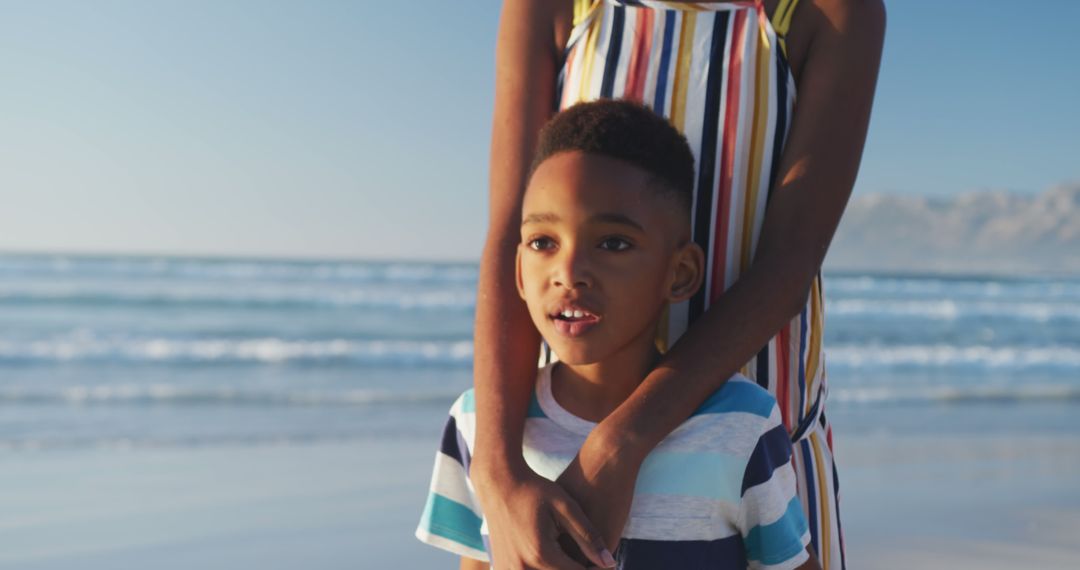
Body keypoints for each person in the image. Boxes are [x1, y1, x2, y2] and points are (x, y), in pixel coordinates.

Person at [471, 1, 884, 568]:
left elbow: (790, 263)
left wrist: (622, 442)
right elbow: (511, 235)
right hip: (559, 458)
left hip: (759, 453)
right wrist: (496, 471)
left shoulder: (831, 11)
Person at [418, 99, 822, 570]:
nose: (568, 272)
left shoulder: (741, 424)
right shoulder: (475, 422)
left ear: (680, 273)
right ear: (519, 273)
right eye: (542, 242)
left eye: (613, 243)